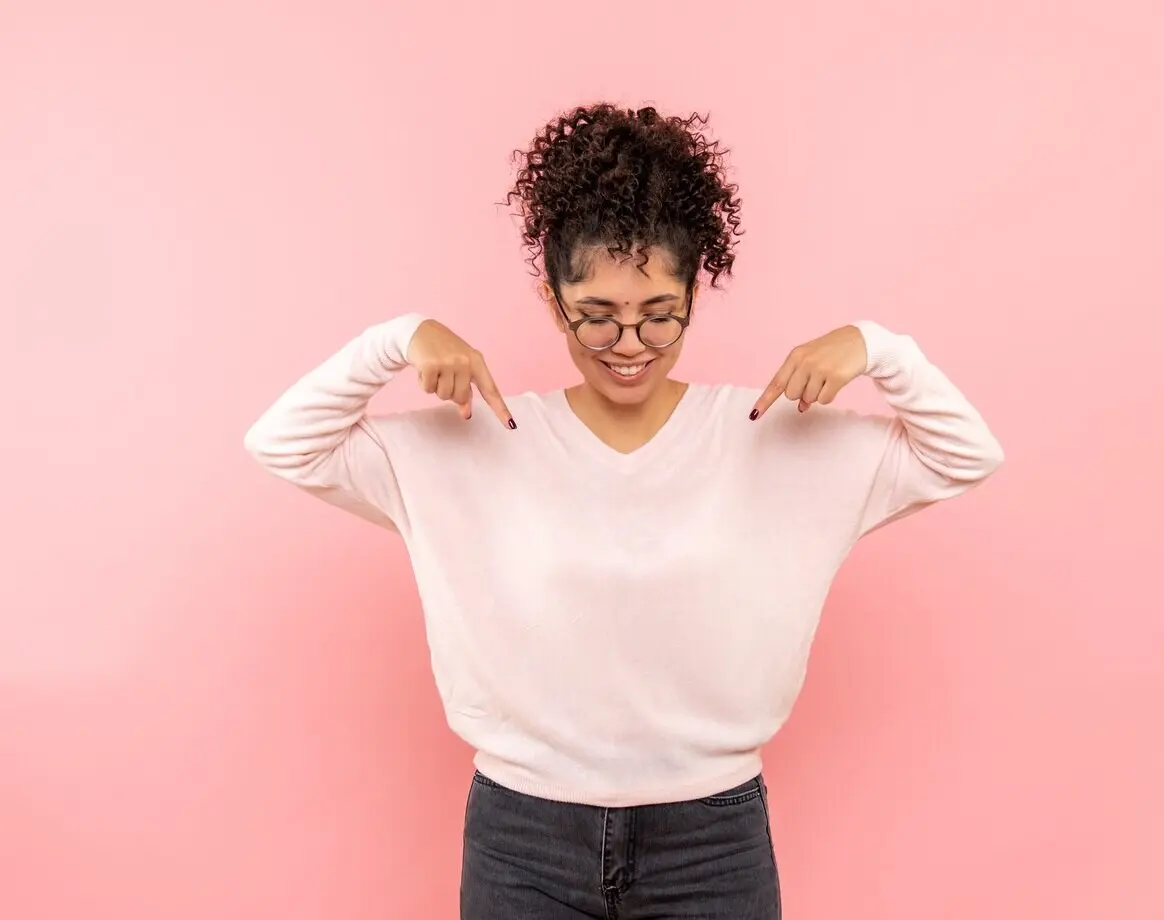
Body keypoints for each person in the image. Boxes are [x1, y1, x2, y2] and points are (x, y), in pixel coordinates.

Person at [244, 102, 1004, 920]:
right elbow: (283, 443)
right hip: (521, 838)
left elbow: (964, 453)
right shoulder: (478, 439)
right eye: (597, 317)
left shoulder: (770, 434)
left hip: (713, 842)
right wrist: (400, 339)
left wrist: (875, 348)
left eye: (659, 316)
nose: (631, 344)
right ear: (553, 300)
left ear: (693, 295)